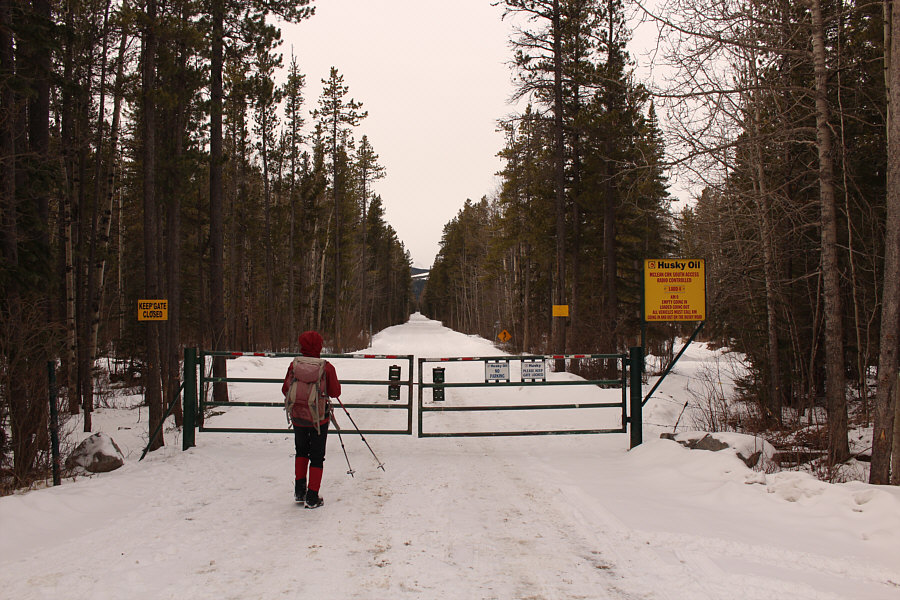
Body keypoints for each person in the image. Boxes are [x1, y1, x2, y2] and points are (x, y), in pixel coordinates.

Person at [281, 331, 341, 508]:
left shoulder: (294, 365)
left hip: (298, 416)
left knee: (301, 451)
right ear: (320, 346)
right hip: (319, 418)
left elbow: (286, 390)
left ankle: (300, 491)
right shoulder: (326, 367)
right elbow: (335, 392)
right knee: (317, 456)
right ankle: (312, 496)